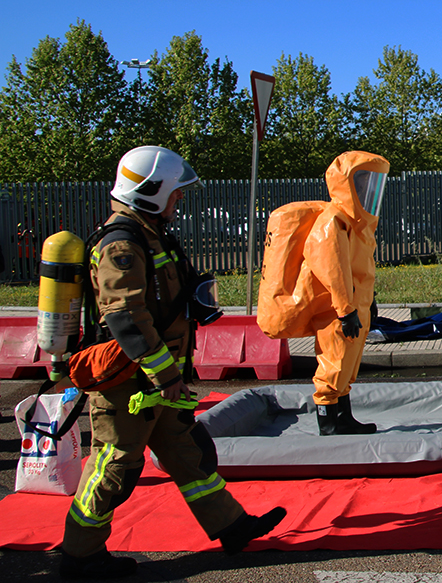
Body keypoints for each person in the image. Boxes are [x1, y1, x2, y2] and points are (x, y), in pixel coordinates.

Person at [61, 146, 286, 579]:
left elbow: (158, 298)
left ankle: (232, 527)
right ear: (149, 192)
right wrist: (165, 375)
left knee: (189, 452)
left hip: (159, 376)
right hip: (132, 380)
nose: (178, 203)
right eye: (174, 195)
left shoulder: (151, 235)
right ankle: (80, 556)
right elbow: (125, 315)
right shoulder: (121, 244)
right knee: (114, 467)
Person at [305, 152, 390, 435]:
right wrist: (345, 311)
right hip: (339, 311)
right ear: (347, 183)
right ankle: (329, 424)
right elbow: (333, 272)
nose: (368, 189)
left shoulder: (358, 226)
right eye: (363, 181)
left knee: (348, 365)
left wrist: (368, 301)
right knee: (334, 363)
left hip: (356, 307)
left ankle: (344, 419)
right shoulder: (333, 222)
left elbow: (358, 270)